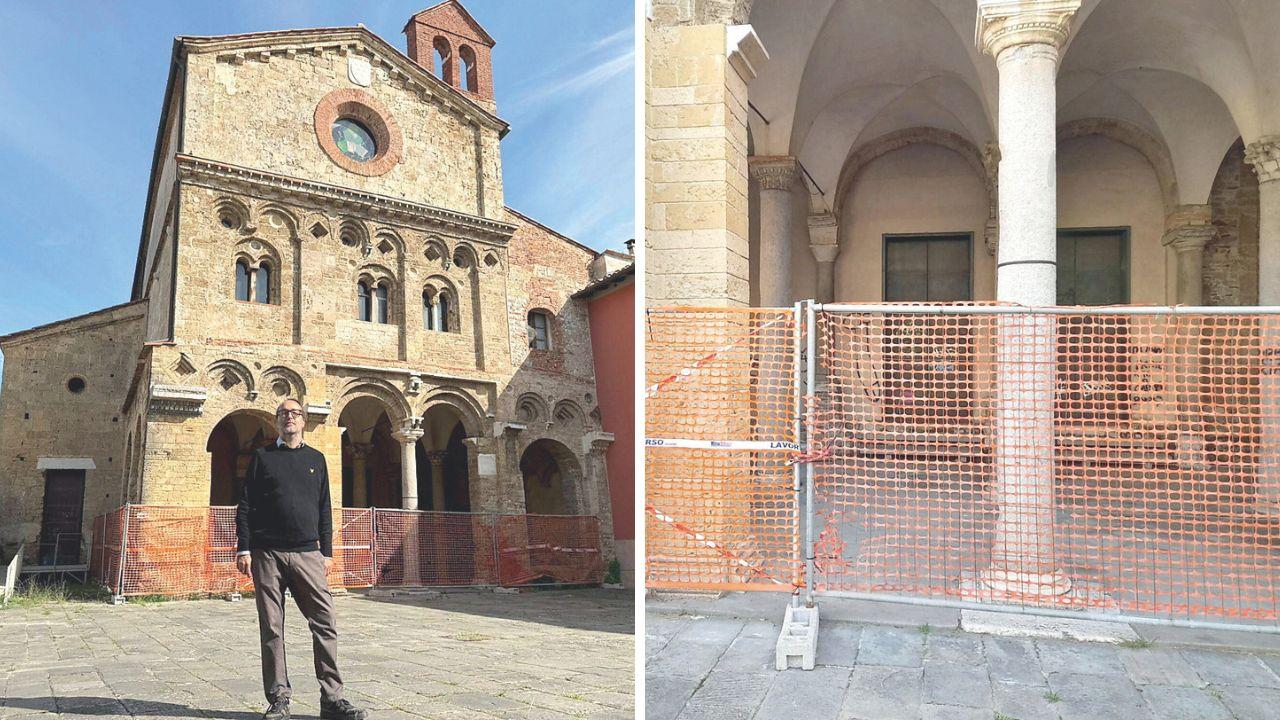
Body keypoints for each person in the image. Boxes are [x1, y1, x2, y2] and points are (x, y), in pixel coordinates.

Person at [235, 398, 366, 720]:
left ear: (303, 421)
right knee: (272, 628)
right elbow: (246, 504)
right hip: (267, 553)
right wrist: (244, 547)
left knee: (325, 623)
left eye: (294, 413)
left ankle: (332, 699)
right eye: (282, 414)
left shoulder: (316, 459)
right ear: (277, 422)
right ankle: (279, 698)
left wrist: (328, 552)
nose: (288, 418)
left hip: (309, 552)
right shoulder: (262, 457)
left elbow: (325, 508)